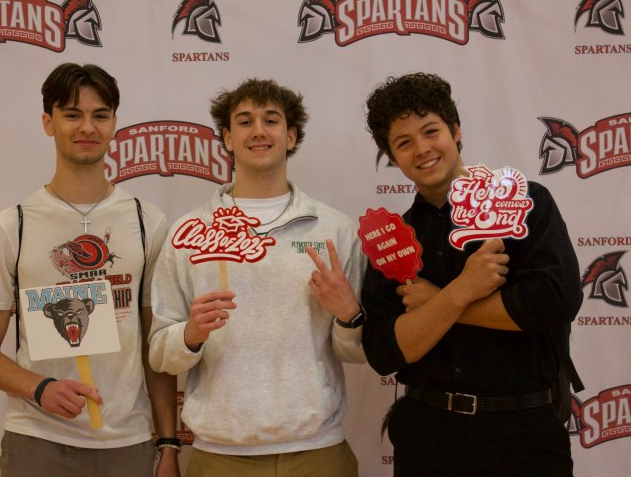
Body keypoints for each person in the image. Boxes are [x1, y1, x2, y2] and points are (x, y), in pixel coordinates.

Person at [360, 72, 582, 476]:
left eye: (431, 131)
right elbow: (383, 352)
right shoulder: (393, 239)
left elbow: (553, 303)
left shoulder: (525, 202)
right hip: (427, 436)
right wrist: (460, 291)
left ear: (456, 130)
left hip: (525, 435)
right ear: (391, 157)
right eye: (403, 143)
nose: (422, 149)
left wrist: (437, 302)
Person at [0, 63, 180, 477]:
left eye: (100, 115)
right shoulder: (12, 226)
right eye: (71, 114)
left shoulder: (147, 222)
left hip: (126, 441)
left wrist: (169, 443)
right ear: (48, 122)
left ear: (114, 124)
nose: (87, 127)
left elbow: (155, 348)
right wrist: (39, 388)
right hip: (37, 438)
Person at [148, 78, 367, 476]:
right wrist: (190, 335)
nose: (259, 131)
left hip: (318, 452)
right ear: (228, 138)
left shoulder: (334, 229)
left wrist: (349, 316)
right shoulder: (188, 232)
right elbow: (161, 354)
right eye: (245, 121)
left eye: (271, 120)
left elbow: (358, 352)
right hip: (220, 456)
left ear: (291, 135)